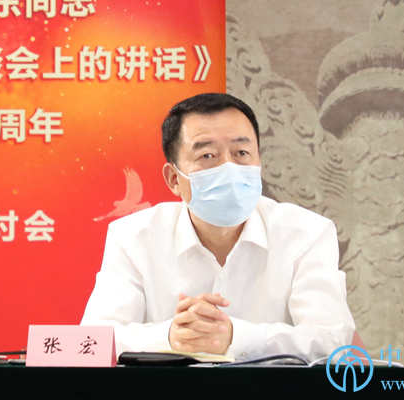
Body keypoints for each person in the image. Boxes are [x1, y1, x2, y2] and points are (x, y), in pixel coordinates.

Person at [80, 93, 355, 361]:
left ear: (259, 162)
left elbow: (332, 339)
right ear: (174, 178)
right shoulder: (132, 238)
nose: (229, 167)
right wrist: (170, 337)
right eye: (208, 155)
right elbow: (91, 341)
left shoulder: (308, 234)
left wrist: (235, 337)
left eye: (242, 152)